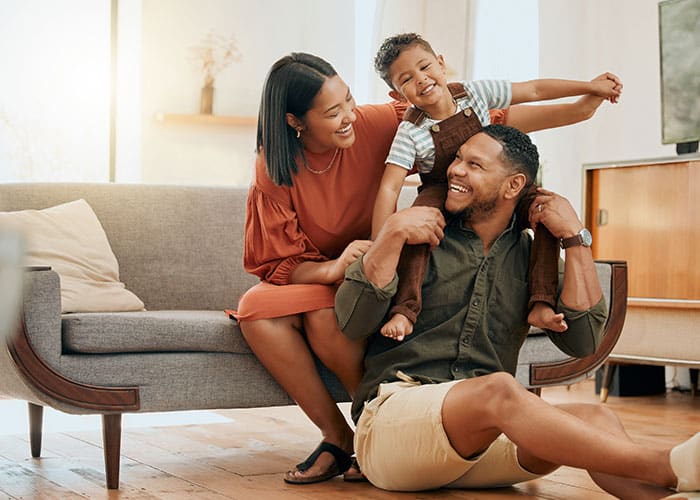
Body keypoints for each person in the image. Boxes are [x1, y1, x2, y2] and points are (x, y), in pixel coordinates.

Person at [230, 51, 619, 486]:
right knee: (264, 309)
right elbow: (280, 261)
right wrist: (371, 249)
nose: (349, 117)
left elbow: (474, 116)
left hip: (397, 277)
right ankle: (345, 433)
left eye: (350, 101)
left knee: (595, 418)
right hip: (359, 268)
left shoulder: (381, 123)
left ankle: (674, 477)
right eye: (333, 112)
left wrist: (583, 106)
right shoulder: (277, 168)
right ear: (295, 121)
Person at [335, 124, 700, 498]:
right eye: (458, 159)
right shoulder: (418, 234)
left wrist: (575, 238)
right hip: (394, 427)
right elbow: (352, 321)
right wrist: (393, 232)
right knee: (499, 388)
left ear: (513, 186)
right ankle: (667, 465)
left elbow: (584, 341)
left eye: (474, 165)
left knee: (597, 418)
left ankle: (667, 494)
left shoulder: (532, 259)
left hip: (482, 442)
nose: (456, 170)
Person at [371, 33, 622, 341]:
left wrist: (589, 87)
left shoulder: (474, 93)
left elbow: (533, 89)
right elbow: (388, 188)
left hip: (493, 178)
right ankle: (405, 309)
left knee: (546, 210)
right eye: (407, 79)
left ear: (441, 62)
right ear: (397, 95)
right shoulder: (410, 132)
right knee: (417, 228)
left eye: (425, 67)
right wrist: (380, 243)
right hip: (442, 188)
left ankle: (541, 302)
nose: (421, 80)